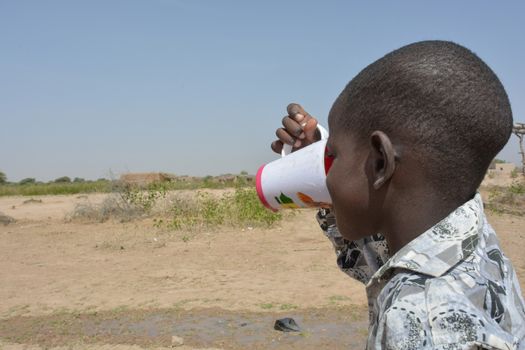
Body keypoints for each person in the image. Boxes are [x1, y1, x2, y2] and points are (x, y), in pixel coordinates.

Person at [270, 41, 525, 349]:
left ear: (379, 162)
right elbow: (384, 259)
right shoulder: (470, 241)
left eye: (333, 156)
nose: (327, 170)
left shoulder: (423, 321)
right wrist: (319, 166)